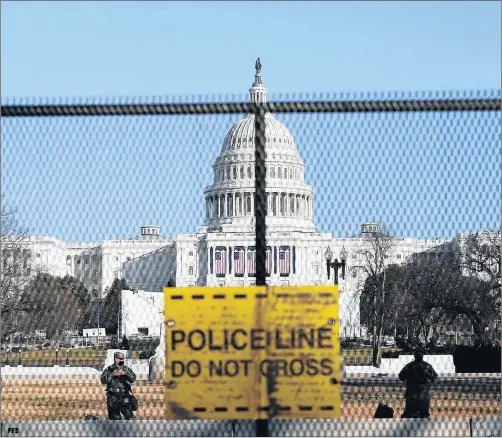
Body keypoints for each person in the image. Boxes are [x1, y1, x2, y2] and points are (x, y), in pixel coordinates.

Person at [398, 346, 438, 418]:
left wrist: (409, 375)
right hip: (423, 393)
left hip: (411, 393)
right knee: (424, 416)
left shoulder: (410, 366)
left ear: (414, 355)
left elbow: (401, 376)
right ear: (422, 356)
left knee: (410, 415)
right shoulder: (427, 366)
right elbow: (434, 378)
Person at [100, 351, 137, 420]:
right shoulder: (109, 369)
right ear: (116, 359)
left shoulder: (126, 369)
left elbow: (133, 379)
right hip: (112, 397)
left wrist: (125, 373)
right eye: (120, 359)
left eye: (123, 359)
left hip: (124, 395)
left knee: (129, 417)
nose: (122, 360)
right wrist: (112, 374)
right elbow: (103, 380)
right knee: (114, 419)